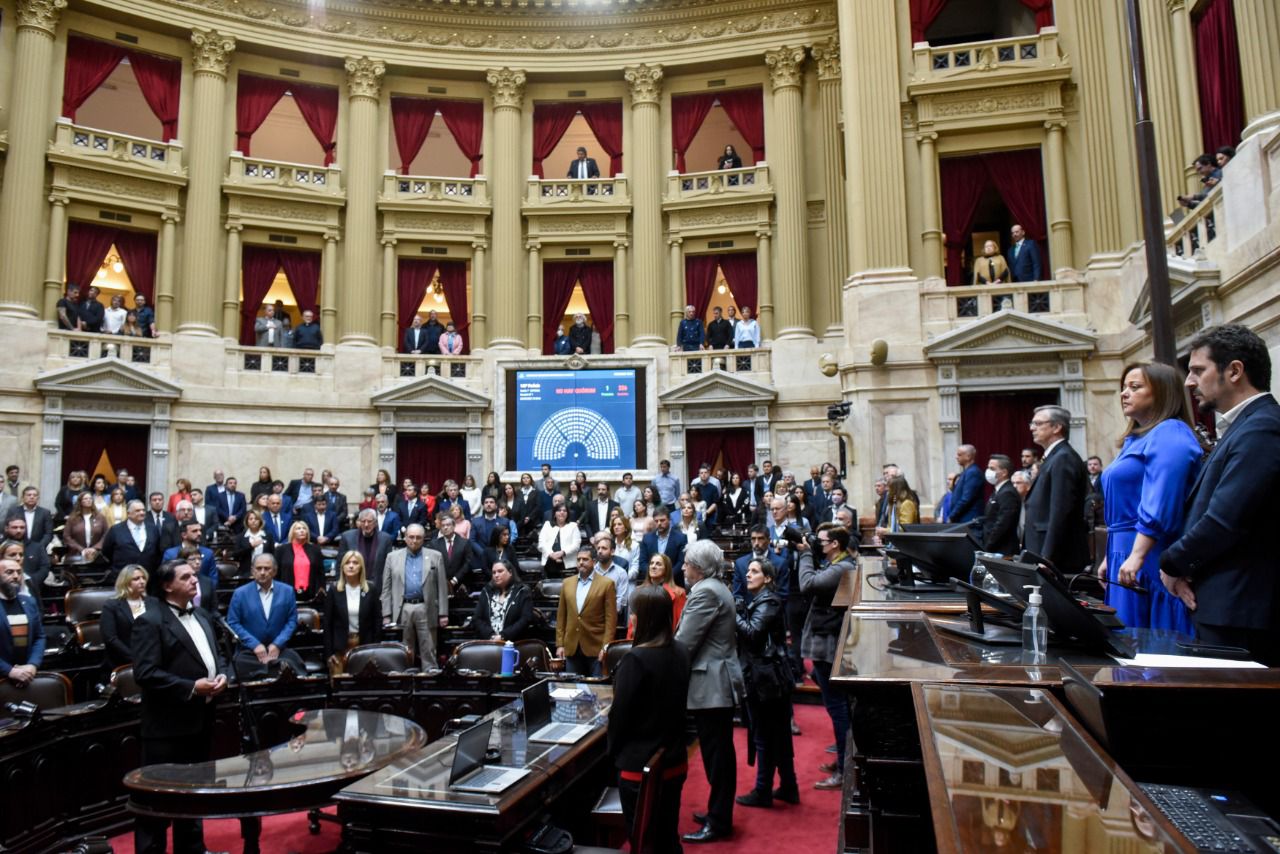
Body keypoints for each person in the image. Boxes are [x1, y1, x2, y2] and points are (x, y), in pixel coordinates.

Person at [1161, 325, 1280, 664]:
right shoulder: (1246, 426)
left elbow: (1226, 519)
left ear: (1234, 371)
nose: (1188, 381)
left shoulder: (1263, 427)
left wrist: (1171, 563)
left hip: (1241, 609)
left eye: (1198, 370)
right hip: (1222, 601)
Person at [1096, 362, 1203, 633]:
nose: (1124, 394)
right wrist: (1111, 554)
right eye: (1123, 388)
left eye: (1135, 387)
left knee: (1151, 643)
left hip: (1149, 552)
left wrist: (1137, 555)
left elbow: (1161, 497)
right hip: (1125, 550)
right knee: (1126, 642)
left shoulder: (1170, 432)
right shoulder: (1135, 440)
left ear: (1163, 393)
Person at [131, 559, 229, 854]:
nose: (194, 580)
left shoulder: (201, 615)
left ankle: (192, 849)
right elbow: (145, 673)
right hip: (166, 727)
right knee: (156, 800)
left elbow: (216, 657)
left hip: (200, 720)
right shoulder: (149, 621)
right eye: (186, 577)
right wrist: (190, 688)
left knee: (193, 794)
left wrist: (222, 675)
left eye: (194, 575)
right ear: (166, 585)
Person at [607, 583, 690, 854]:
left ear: (642, 618)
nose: (630, 618)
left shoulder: (636, 659)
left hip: (639, 767)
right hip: (674, 760)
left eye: (633, 613)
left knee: (643, 842)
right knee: (667, 836)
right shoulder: (681, 651)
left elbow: (619, 718)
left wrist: (612, 755)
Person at [675, 539, 743, 844]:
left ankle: (718, 821)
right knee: (719, 753)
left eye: (687, 562)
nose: (684, 567)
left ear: (699, 567)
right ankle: (718, 813)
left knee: (718, 755)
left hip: (712, 683)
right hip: (717, 679)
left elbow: (685, 643)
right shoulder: (716, 587)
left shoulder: (704, 592)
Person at [734, 556, 799, 809]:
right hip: (769, 677)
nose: (748, 575)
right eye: (747, 571)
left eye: (754, 571)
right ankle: (789, 786)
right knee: (779, 735)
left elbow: (752, 633)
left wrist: (735, 613)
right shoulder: (762, 600)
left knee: (763, 735)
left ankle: (763, 791)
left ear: (768, 578)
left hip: (766, 679)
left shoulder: (769, 600)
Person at [798, 524, 856, 790]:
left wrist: (805, 554)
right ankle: (845, 762)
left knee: (837, 708)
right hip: (826, 641)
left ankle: (845, 770)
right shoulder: (839, 564)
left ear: (835, 544)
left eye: (821, 541)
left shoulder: (841, 568)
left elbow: (807, 584)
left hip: (829, 645)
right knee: (838, 708)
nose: (817, 544)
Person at [1024, 404, 1091, 575]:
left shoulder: (1064, 457)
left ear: (1056, 427)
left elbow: (1061, 510)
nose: (1032, 428)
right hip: (1045, 550)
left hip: (1057, 558)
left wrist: (1048, 556)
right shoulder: (1055, 457)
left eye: (1038, 424)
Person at [226, 553, 306, 678]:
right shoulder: (240, 593)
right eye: (258, 568)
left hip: (278, 650)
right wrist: (255, 645)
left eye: (267, 568)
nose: (262, 572)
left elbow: (291, 621)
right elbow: (233, 623)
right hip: (250, 652)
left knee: (292, 665)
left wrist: (277, 644)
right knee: (239, 667)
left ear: (274, 571)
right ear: (252, 571)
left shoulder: (287, 591)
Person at [556, 546, 617, 676]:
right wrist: (560, 644)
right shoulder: (567, 583)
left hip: (596, 647)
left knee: (597, 691)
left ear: (594, 562)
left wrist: (606, 647)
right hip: (572, 646)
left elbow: (611, 620)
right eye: (578, 559)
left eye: (585, 559)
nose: (581, 562)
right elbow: (561, 617)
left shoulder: (607, 584)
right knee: (572, 690)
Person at [322, 550, 381, 673]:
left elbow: (377, 620)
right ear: (342, 567)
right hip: (340, 646)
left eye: (355, 563)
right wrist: (329, 653)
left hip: (364, 645)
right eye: (347, 563)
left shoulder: (370, 589)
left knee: (360, 685)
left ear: (361, 567)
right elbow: (327, 623)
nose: (351, 565)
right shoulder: (334, 590)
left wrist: (375, 648)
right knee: (339, 685)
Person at [0, 558, 45, 686]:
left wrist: (32, 664)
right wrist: (9, 670)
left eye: (19, 572)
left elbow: (39, 637)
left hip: (28, 674)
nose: (16, 576)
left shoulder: (29, 602)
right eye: (9, 572)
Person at [100, 565, 149, 667]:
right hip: (122, 660)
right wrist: (133, 657)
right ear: (125, 582)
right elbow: (111, 638)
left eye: (143, 578)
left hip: (151, 657)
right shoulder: (111, 605)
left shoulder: (153, 603)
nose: (142, 581)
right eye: (136, 579)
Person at [472, 559, 534, 641]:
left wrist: (503, 636)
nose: (496, 575)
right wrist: (491, 636)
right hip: (489, 642)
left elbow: (525, 619)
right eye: (494, 572)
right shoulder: (486, 591)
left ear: (510, 572)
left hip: (514, 643)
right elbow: (477, 618)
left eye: (500, 571)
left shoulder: (522, 591)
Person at [339, 509, 394, 592]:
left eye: (369, 521)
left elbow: (389, 566)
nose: (366, 524)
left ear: (375, 523)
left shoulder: (385, 539)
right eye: (363, 521)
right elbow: (340, 563)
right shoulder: (347, 537)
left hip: (378, 588)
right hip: (353, 586)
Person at [102, 499, 162, 574]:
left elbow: (158, 551)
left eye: (143, 510)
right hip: (123, 576)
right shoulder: (116, 530)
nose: (142, 513)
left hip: (148, 576)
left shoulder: (153, 529)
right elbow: (107, 552)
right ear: (128, 513)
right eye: (137, 511)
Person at [638, 505, 688, 588]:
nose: (659, 523)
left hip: (674, 583)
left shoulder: (681, 538)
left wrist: (666, 576)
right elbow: (642, 563)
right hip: (651, 584)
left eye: (662, 520)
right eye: (656, 521)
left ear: (669, 520)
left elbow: (681, 562)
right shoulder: (647, 538)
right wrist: (654, 575)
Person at [981, 455, 1022, 556]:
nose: (988, 471)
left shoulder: (1007, 492)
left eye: (992, 468)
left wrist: (988, 546)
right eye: (988, 468)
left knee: (981, 572)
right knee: (979, 572)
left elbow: (1003, 524)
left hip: (1002, 550)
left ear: (1004, 472)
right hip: (994, 548)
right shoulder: (998, 491)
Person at [275, 520, 325, 602]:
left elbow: (320, 573)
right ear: (292, 532)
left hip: (311, 593)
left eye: (304, 528)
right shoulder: (281, 550)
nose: (302, 530)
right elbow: (276, 573)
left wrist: (321, 590)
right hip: (286, 593)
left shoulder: (315, 550)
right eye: (298, 528)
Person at [431, 515, 475, 589]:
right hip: (441, 585)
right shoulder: (434, 544)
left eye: (448, 525)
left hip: (461, 584)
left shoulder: (464, 543)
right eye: (443, 526)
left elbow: (468, 563)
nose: (445, 527)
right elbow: (433, 565)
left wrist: (455, 580)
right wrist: (444, 581)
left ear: (454, 526)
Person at [64, 490, 108, 562]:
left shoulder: (100, 517)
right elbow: (67, 536)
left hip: (97, 555)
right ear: (80, 502)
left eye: (90, 498)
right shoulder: (72, 518)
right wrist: (81, 549)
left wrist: (95, 548)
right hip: (76, 554)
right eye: (85, 499)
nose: (89, 500)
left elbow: (106, 534)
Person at [538, 503, 580, 578]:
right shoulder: (547, 525)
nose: (562, 512)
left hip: (568, 564)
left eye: (564, 510)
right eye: (559, 510)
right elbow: (541, 543)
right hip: (550, 562)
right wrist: (551, 554)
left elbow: (576, 545)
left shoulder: (573, 526)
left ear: (567, 514)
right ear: (554, 513)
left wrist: (562, 553)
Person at [949, 444, 984, 523]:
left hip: (969, 521)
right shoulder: (967, 472)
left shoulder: (973, 473)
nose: (956, 457)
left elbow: (966, 499)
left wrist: (952, 516)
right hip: (963, 520)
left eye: (959, 455)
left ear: (968, 457)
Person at [235, 509, 275, 577]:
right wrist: (251, 546)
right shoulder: (241, 537)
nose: (253, 521)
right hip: (246, 572)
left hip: (265, 571)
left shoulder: (268, 536)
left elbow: (272, 554)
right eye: (251, 519)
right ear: (247, 521)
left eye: (256, 519)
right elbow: (236, 555)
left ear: (260, 521)